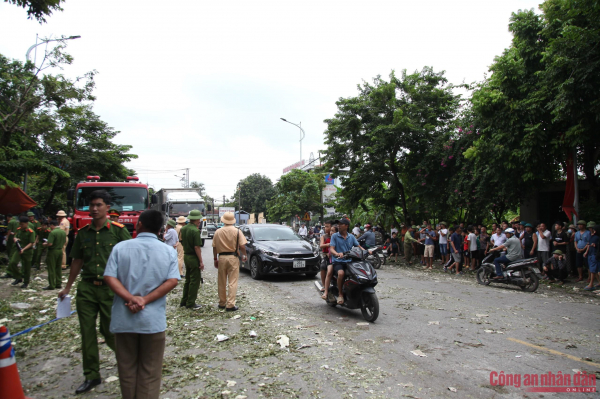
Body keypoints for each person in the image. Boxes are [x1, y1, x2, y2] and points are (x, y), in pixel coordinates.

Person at [58, 190, 131, 395]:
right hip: (87, 289)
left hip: (111, 289)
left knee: (109, 331)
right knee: (87, 333)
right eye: (92, 205)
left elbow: (128, 261)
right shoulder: (83, 233)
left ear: (108, 208)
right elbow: (77, 261)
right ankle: (91, 375)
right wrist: (67, 287)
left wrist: (130, 291)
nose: (94, 209)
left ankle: (128, 362)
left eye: (99, 205)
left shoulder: (118, 231)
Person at [103, 209, 180, 399]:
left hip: (124, 319)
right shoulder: (168, 251)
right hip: (152, 322)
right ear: (161, 229)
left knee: (127, 369)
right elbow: (172, 281)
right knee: (150, 372)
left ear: (138, 225)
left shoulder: (121, 248)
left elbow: (109, 277)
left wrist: (130, 298)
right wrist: (144, 300)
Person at [212, 212, 247, 311]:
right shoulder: (237, 231)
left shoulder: (218, 232)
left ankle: (222, 303)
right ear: (233, 221)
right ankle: (230, 304)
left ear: (223, 220)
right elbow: (242, 246)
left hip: (222, 257)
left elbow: (214, 247)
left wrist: (215, 258)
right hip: (233, 257)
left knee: (221, 281)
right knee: (233, 281)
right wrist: (244, 255)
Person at [325, 218, 363, 305]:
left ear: (346, 226)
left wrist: (367, 251)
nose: (339, 225)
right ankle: (340, 294)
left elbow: (359, 246)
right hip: (338, 261)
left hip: (350, 261)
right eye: (338, 224)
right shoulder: (335, 236)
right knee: (341, 273)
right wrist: (337, 254)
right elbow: (332, 249)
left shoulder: (351, 237)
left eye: (341, 224)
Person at [179, 209, 205, 309]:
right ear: (196, 220)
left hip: (186, 255)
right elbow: (197, 247)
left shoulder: (184, 229)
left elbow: (181, 240)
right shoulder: (195, 231)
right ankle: (191, 303)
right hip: (193, 257)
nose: (199, 221)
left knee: (188, 280)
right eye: (199, 219)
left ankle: (184, 301)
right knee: (195, 281)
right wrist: (201, 261)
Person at [8, 216, 36, 288]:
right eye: (20, 224)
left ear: (26, 223)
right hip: (19, 249)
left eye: (22, 224)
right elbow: (16, 236)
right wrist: (15, 239)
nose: (21, 225)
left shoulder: (31, 232)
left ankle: (26, 282)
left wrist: (23, 249)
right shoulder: (19, 230)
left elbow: (31, 243)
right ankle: (18, 277)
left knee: (26, 267)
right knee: (12, 263)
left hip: (27, 251)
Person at [42, 219, 66, 290]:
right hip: (60, 250)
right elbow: (64, 242)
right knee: (58, 268)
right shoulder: (63, 232)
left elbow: (50, 243)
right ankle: (58, 283)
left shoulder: (52, 233)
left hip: (53, 251)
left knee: (51, 268)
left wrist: (45, 244)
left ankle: (52, 285)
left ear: (52, 225)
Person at [583, 224, 599, 291]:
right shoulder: (592, 236)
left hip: (595, 254)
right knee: (593, 269)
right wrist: (586, 252)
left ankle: (591, 284)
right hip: (591, 253)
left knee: (593, 270)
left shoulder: (597, 237)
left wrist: (595, 245)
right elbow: (589, 244)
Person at [319, 221, 332, 294]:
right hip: (325, 255)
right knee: (323, 266)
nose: (325, 228)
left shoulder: (335, 236)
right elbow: (321, 245)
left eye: (327, 226)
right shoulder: (323, 237)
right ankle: (324, 285)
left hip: (334, 255)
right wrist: (328, 245)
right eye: (325, 227)